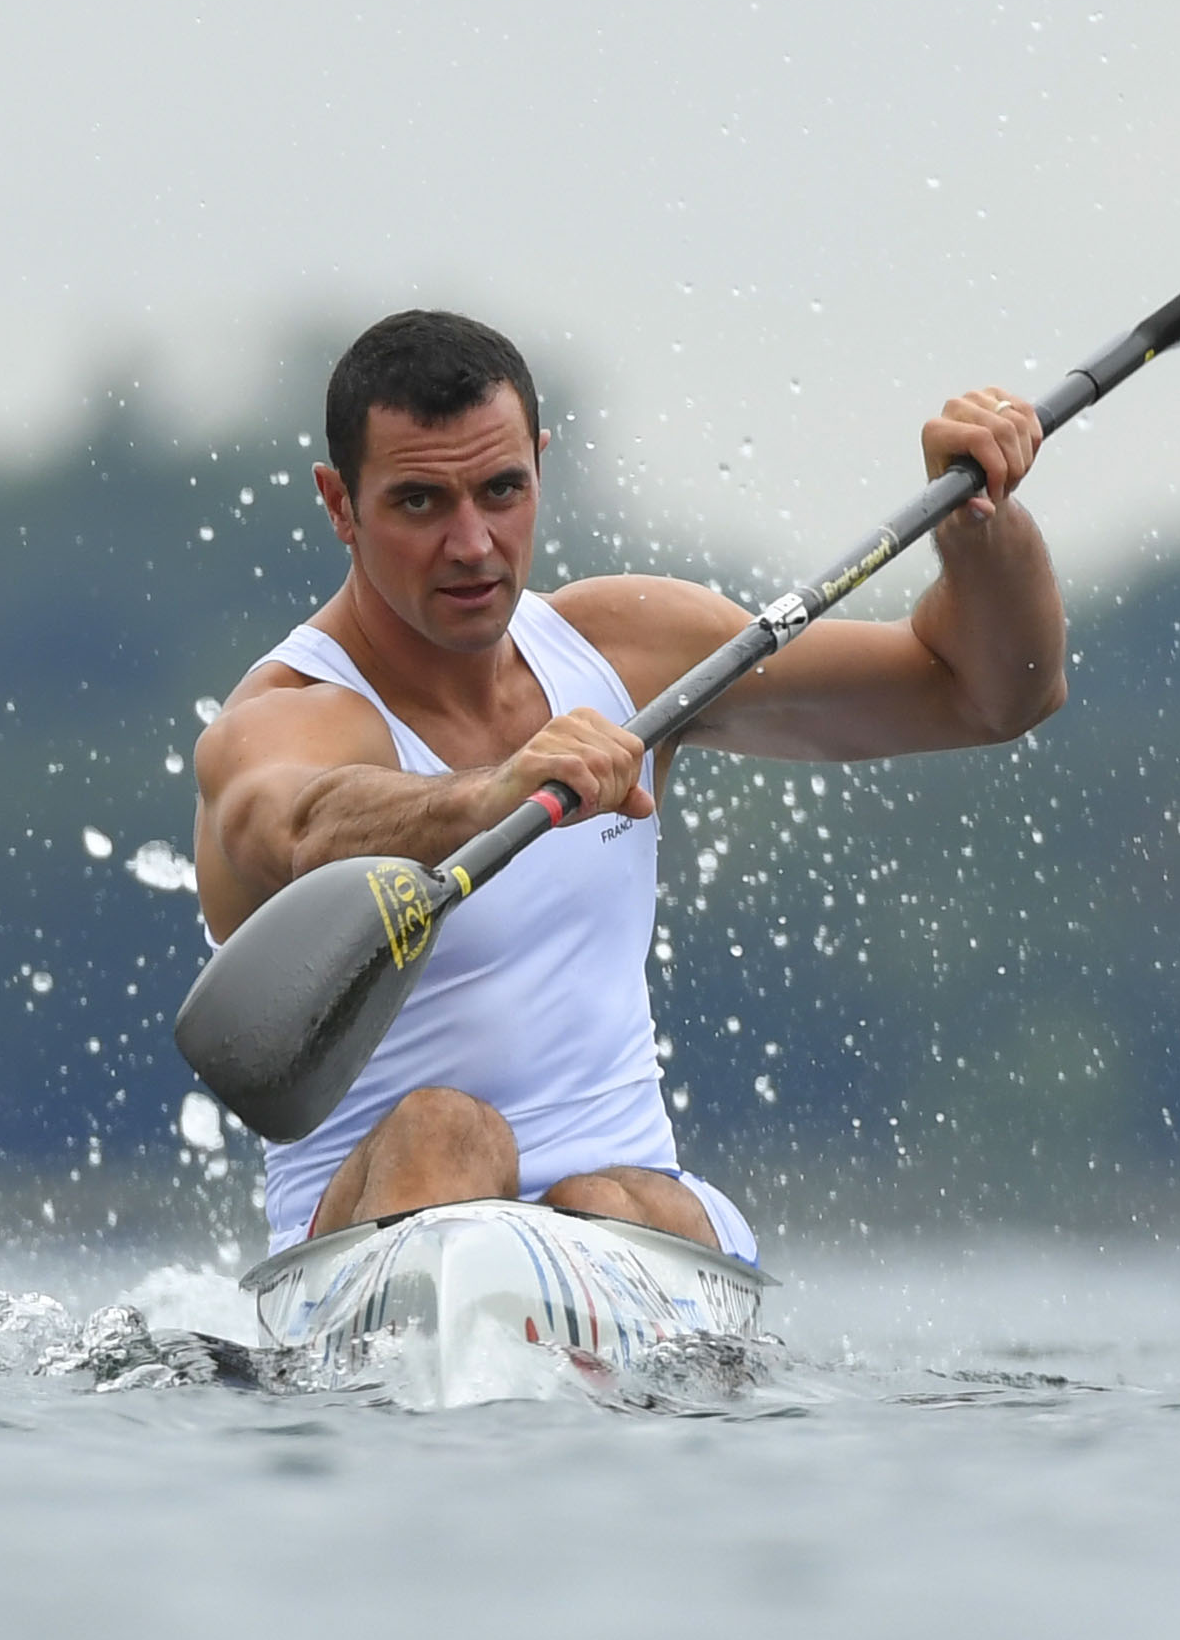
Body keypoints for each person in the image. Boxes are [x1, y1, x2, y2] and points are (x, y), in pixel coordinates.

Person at [191, 310, 1065, 1262]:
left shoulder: (624, 648)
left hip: (624, 1218)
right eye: (418, 503)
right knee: (449, 1130)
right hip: (379, 1223)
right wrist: (496, 791)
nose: (474, 544)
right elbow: (300, 828)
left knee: (613, 1195)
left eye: (501, 489)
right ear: (338, 502)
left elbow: (989, 694)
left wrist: (983, 518)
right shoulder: (294, 714)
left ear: (540, 463)